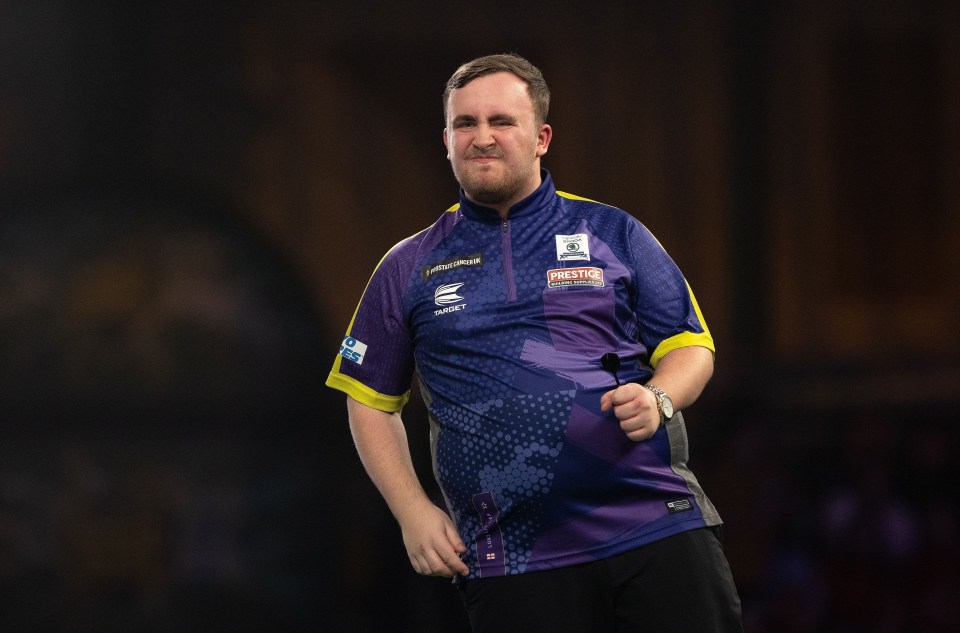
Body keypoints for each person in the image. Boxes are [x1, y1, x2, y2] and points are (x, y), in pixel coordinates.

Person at [326, 53, 743, 632]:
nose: (482, 138)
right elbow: (367, 399)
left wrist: (659, 398)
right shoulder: (408, 265)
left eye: (502, 121)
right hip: (511, 560)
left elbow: (691, 347)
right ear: (445, 140)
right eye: (465, 124)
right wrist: (412, 512)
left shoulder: (614, 232)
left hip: (655, 526)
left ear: (542, 136)